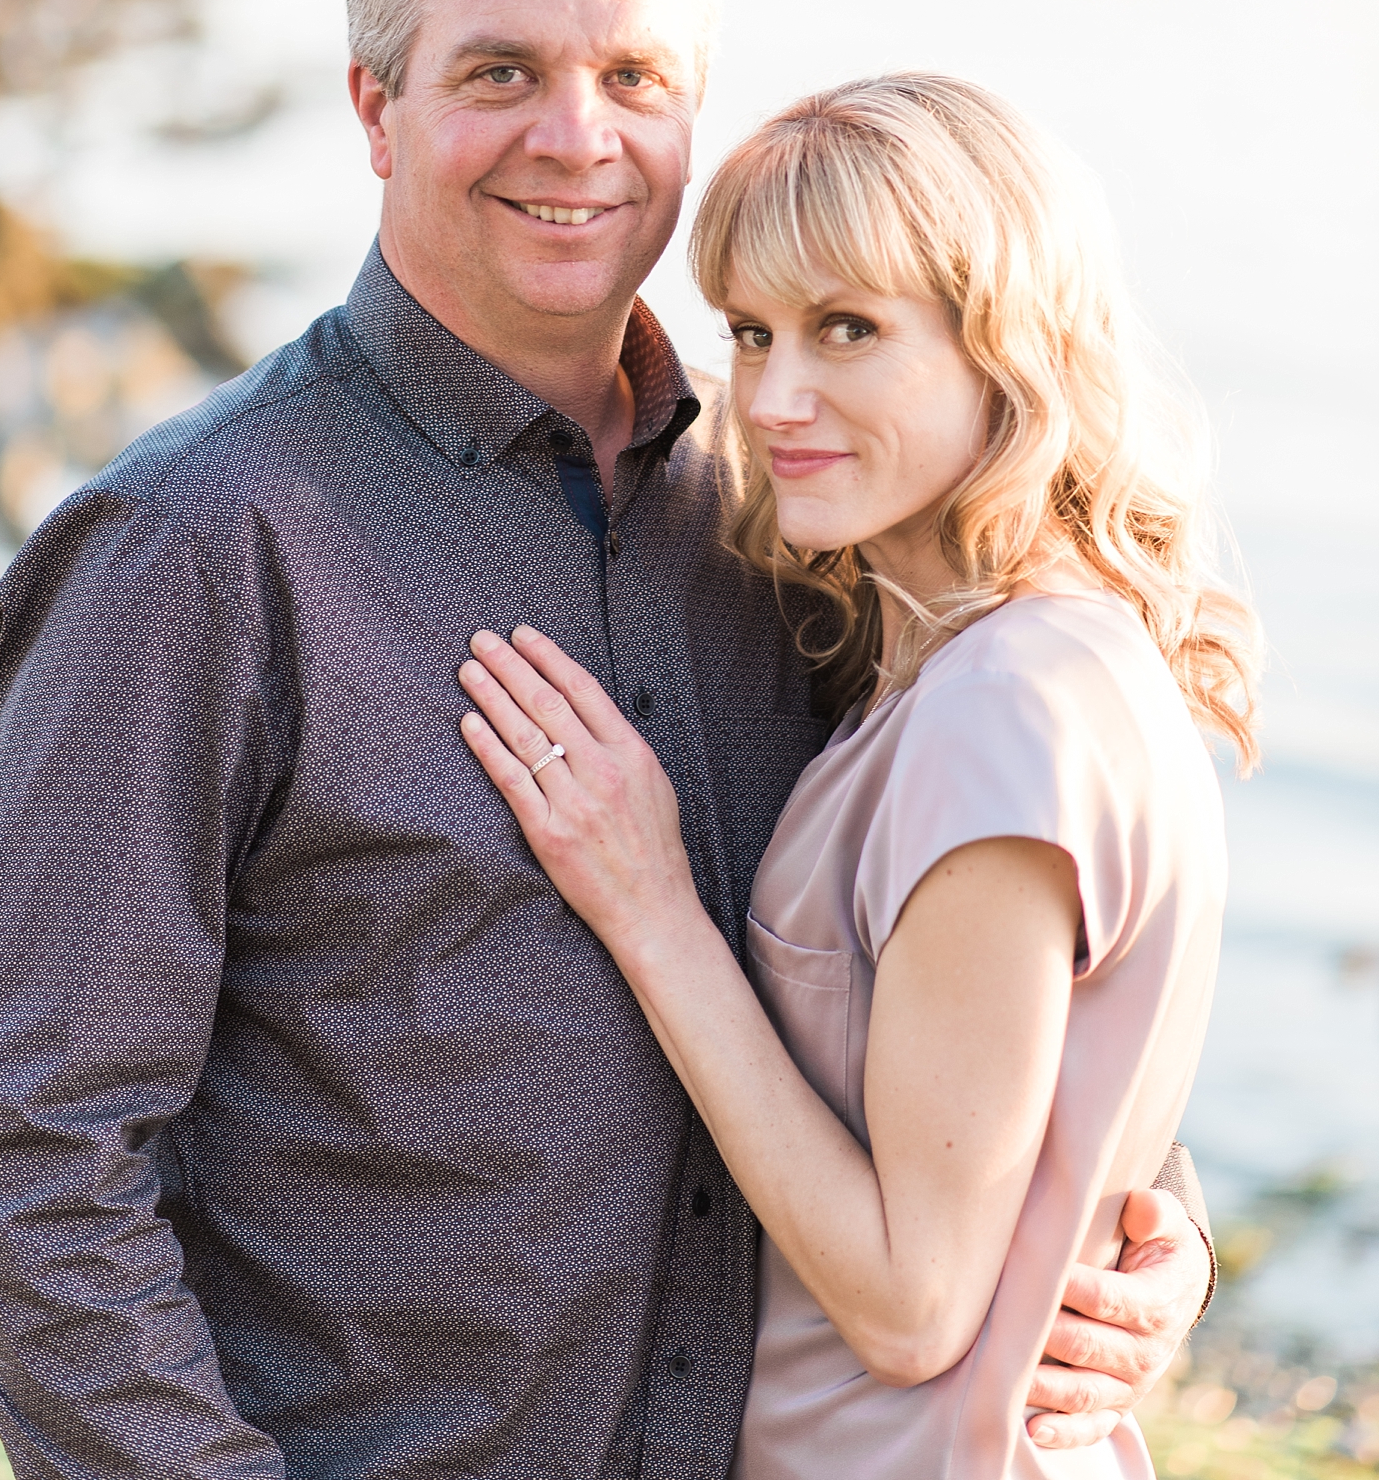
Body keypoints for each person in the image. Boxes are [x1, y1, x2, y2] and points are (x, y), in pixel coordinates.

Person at [0, 0, 1214, 1480]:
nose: (577, 136)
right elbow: (31, 1157)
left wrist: (1136, 1221)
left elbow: (961, 958)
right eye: (499, 73)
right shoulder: (192, 554)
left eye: (636, 75)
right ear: (375, 109)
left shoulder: (782, 525)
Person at [456, 73, 1260, 1478]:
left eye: (850, 331)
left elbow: (913, 1302)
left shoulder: (1001, 713)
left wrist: (652, 911)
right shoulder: (998, 656)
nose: (771, 398)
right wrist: (1170, 1235)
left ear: (1006, 350)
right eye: (752, 332)